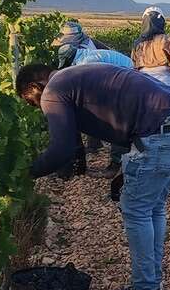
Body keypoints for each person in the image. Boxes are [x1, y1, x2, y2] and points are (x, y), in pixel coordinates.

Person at [16, 62, 170, 290]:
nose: (37, 108)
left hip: (162, 127)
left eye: (31, 101)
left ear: (35, 87)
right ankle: (149, 284)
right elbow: (77, 140)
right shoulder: (73, 78)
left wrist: (23, 175)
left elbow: (61, 149)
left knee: (136, 209)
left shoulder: (52, 91)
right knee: (152, 206)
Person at [52, 20, 134, 178]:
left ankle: (117, 165)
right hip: (120, 80)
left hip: (127, 83)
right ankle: (120, 161)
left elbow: (94, 87)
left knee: (116, 123)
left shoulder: (87, 62)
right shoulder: (83, 55)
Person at [130, 7, 170, 90]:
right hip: (165, 84)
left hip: (142, 85)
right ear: (162, 22)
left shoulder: (137, 43)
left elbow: (133, 67)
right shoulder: (169, 41)